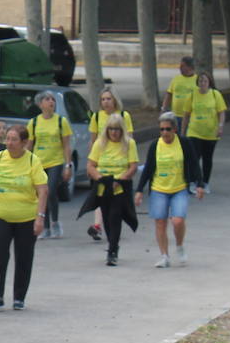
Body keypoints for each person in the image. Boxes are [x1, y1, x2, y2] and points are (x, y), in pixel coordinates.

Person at [0, 125, 48, 310]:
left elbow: (42, 190)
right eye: (7, 139)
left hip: (26, 216)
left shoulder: (33, 161)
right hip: (1, 214)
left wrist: (40, 217)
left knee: (24, 256)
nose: (9, 143)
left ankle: (19, 297)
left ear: (24, 143)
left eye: (14, 140)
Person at [136, 112, 205, 268]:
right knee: (160, 222)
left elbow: (194, 164)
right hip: (158, 189)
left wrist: (199, 184)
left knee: (177, 220)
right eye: (162, 129)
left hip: (179, 188)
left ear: (175, 129)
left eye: (168, 129)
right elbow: (148, 169)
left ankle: (179, 246)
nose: (165, 133)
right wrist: (140, 190)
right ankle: (164, 256)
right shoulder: (155, 145)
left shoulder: (184, 143)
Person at [80, 113, 140, 266]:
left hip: (120, 186)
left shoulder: (129, 144)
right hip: (102, 185)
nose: (114, 132)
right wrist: (99, 178)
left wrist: (120, 179)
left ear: (122, 130)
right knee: (106, 218)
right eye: (111, 129)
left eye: (117, 129)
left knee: (115, 216)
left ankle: (112, 250)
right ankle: (113, 244)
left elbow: (133, 167)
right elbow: (90, 165)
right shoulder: (100, 143)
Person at [86, 88, 136, 242]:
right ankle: (97, 225)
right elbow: (93, 140)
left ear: (115, 100)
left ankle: (104, 226)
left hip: (119, 163)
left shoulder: (123, 116)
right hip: (102, 163)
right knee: (101, 196)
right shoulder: (96, 117)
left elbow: (129, 138)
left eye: (108, 98)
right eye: (103, 99)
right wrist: (91, 164)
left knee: (114, 204)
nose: (105, 102)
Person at [25, 91, 73, 237]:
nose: (51, 102)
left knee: (50, 191)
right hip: (39, 162)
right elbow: (29, 145)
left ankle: (55, 222)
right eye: (47, 99)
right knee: (42, 194)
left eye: (53, 99)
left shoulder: (61, 121)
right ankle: (44, 227)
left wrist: (68, 165)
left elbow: (66, 145)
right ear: (40, 104)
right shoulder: (33, 123)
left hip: (56, 162)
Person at [185, 71, 226, 191]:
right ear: (197, 82)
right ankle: (193, 181)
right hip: (194, 132)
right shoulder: (192, 95)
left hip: (210, 134)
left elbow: (221, 112)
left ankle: (205, 182)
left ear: (209, 82)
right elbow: (186, 115)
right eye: (200, 81)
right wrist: (183, 131)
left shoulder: (215, 94)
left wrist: (220, 126)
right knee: (194, 157)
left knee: (207, 159)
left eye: (205, 81)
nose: (203, 83)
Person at [163, 55, 197, 136]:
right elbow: (169, 94)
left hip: (191, 117)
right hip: (176, 116)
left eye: (182, 66)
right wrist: (164, 108)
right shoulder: (176, 79)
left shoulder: (197, 80)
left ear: (189, 67)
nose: (180, 68)